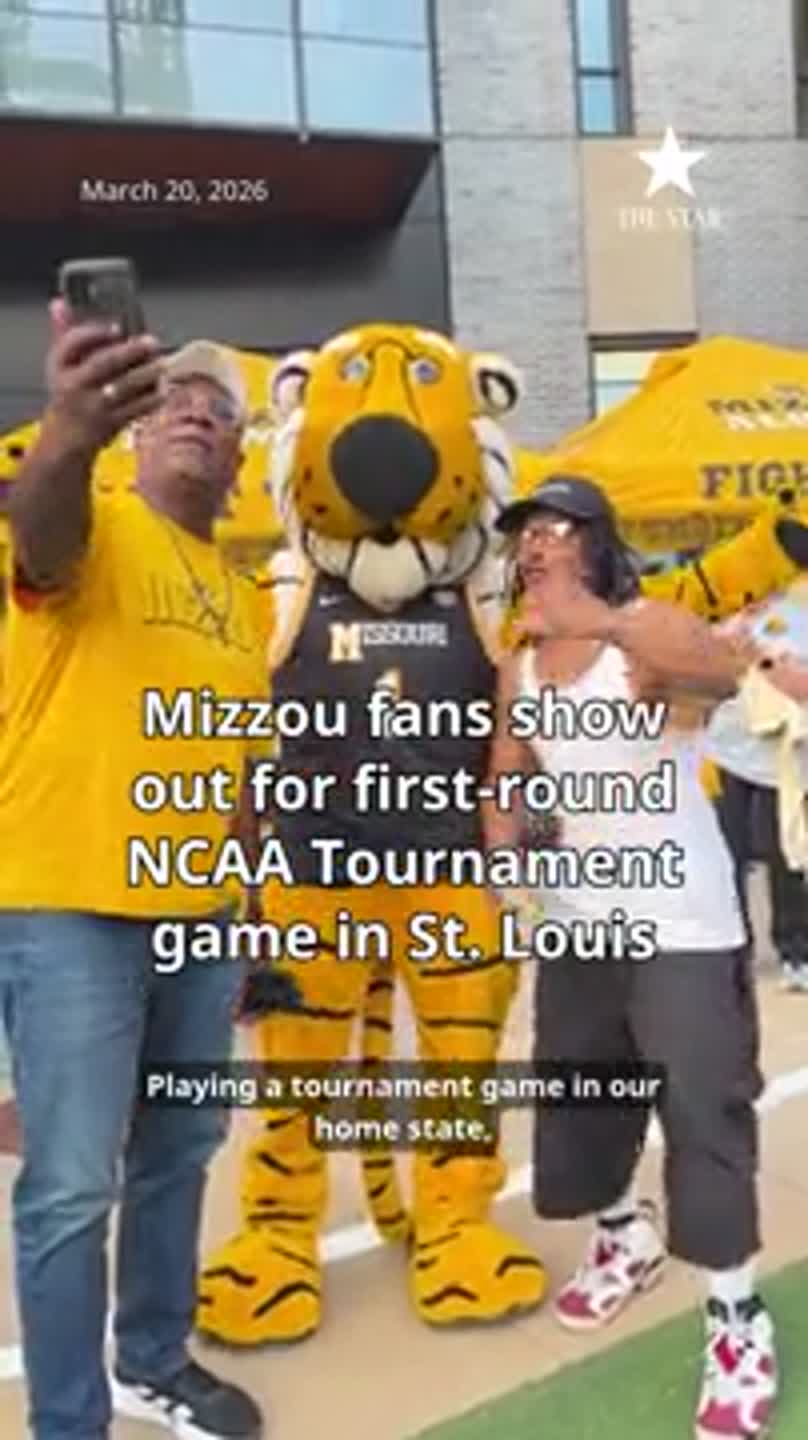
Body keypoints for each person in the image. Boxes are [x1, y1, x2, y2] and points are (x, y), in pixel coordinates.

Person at [481, 475, 807, 1440]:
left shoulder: (649, 632)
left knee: (702, 1111)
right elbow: (509, 772)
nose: (534, 546)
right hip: (581, 923)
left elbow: (711, 675)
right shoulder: (522, 663)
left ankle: (736, 1314)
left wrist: (601, 617)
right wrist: (508, 858)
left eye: (553, 529)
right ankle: (624, 1238)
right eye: (523, 534)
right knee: (579, 1101)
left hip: (684, 924)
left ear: (593, 541)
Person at [0, 300, 266, 1440]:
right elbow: (40, 533)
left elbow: (240, 770)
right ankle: (71, 1422)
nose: (197, 421)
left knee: (180, 1151)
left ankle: (153, 1355)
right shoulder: (94, 523)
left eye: (219, 415)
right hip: (70, 906)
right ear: (137, 437)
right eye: (177, 408)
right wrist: (64, 427)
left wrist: (245, 917)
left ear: (242, 461)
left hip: (201, 915)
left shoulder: (248, 600)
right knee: (69, 1186)